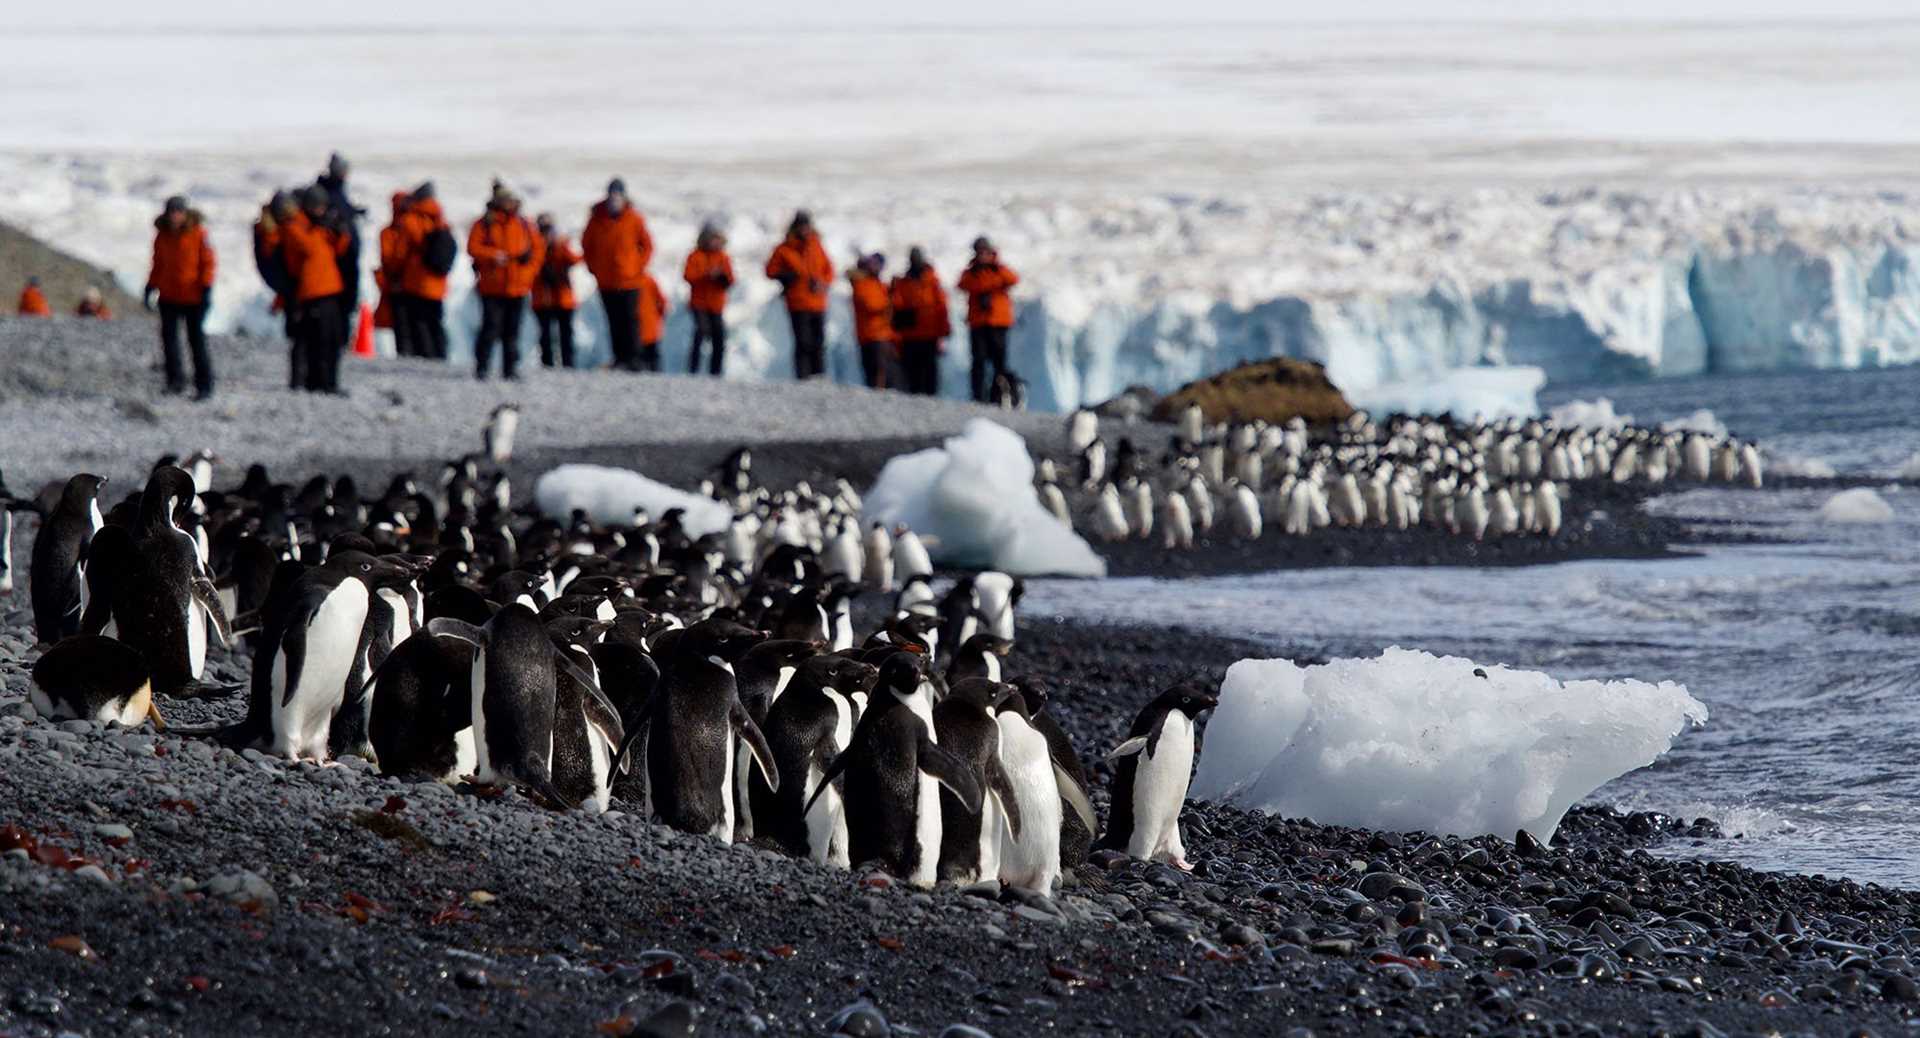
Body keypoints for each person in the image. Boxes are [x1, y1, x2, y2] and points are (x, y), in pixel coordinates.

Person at [467, 182, 543, 381]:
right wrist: (493, 255)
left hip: (518, 287)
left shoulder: (524, 224)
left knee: (512, 331)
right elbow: (473, 247)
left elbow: (538, 250)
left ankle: (510, 369)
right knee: (490, 328)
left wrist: (529, 272)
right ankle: (482, 367)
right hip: (492, 286)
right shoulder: (484, 223)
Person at [144, 195, 218, 399]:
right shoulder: (162, 236)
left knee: (196, 340)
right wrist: (151, 285)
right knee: (169, 340)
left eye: (178, 212)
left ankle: (204, 385)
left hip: (193, 296)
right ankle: (175, 381)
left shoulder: (198, 234)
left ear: (185, 214)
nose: (175, 216)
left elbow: (208, 262)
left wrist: (206, 288)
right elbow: (158, 263)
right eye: (171, 212)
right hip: (169, 295)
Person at [280, 186, 351, 394]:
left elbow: (339, 250)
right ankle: (316, 382)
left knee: (332, 339)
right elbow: (309, 249)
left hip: (330, 289)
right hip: (311, 292)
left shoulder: (317, 227)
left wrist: (340, 232)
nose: (321, 210)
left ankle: (329, 381)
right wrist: (321, 227)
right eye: (317, 207)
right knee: (316, 340)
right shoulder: (296, 226)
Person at [581, 178, 652, 371]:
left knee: (631, 319)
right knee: (614, 320)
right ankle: (619, 358)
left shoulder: (634, 218)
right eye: (612, 194)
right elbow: (587, 245)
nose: (615, 199)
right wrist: (593, 267)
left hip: (630, 280)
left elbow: (647, 245)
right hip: (606, 280)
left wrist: (638, 266)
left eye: (618, 195)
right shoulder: (596, 218)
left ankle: (634, 359)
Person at [765, 210, 833, 379]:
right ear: (795, 227)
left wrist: (822, 282)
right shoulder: (784, 248)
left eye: (807, 226)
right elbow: (770, 270)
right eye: (801, 226)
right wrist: (785, 276)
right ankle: (803, 377)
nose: (804, 229)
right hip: (797, 302)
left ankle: (819, 376)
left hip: (817, 301)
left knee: (818, 342)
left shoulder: (816, 246)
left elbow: (829, 269)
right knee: (803, 341)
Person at [957, 236, 1020, 402]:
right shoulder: (971, 272)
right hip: (978, 322)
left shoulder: (999, 269)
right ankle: (978, 396)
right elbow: (962, 284)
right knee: (978, 360)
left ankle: (1000, 395)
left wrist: (995, 267)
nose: (982, 255)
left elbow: (1013, 279)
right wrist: (981, 276)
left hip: (998, 322)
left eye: (985, 251)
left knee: (999, 361)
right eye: (979, 251)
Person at [396, 182, 453, 360]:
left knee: (419, 321)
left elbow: (400, 252)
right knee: (436, 321)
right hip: (438, 280)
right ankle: (440, 355)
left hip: (417, 279)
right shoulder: (440, 219)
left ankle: (426, 356)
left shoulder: (410, 219)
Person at [314, 152, 364, 348]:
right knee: (340, 300)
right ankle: (338, 340)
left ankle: (340, 339)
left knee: (346, 299)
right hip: (339, 257)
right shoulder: (328, 192)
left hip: (346, 253)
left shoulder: (334, 191)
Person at [888, 246, 951, 396]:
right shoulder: (904, 282)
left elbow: (941, 307)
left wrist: (943, 331)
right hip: (910, 335)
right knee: (913, 373)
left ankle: (930, 398)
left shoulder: (932, 282)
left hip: (929, 335)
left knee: (929, 373)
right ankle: (916, 398)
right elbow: (896, 306)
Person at [253, 191, 299, 382]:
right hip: (291, 287)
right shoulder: (271, 233)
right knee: (299, 336)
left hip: (291, 286)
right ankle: (299, 378)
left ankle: (299, 378)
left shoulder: (276, 229)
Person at [531, 213, 582, 369]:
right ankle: (548, 362)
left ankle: (568, 362)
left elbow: (575, 259)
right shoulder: (534, 247)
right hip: (543, 298)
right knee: (545, 333)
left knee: (566, 333)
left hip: (562, 298)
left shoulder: (560, 247)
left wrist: (560, 245)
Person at [682, 223, 733, 375]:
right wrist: (706, 275)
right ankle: (693, 369)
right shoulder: (695, 256)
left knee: (719, 337)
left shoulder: (723, 257)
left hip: (716, 304)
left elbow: (730, 279)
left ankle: (715, 371)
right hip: (699, 303)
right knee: (701, 332)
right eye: (712, 238)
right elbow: (687, 276)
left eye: (717, 238)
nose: (714, 242)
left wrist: (721, 278)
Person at [848, 252, 896, 389]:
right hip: (873, 335)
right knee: (877, 373)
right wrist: (889, 302)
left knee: (882, 372)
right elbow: (872, 306)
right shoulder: (862, 284)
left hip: (880, 334)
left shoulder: (877, 284)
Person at [376, 191, 416, 357]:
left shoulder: (390, 232)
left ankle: (406, 352)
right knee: (405, 323)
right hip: (404, 283)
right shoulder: (391, 232)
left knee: (405, 323)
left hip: (402, 283)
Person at [636, 269, 669, 373]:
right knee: (653, 356)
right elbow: (662, 302)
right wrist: (659, 317)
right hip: (650, 327)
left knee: (638, 357)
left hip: (636, 328)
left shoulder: (628, 282)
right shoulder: (648, 279)